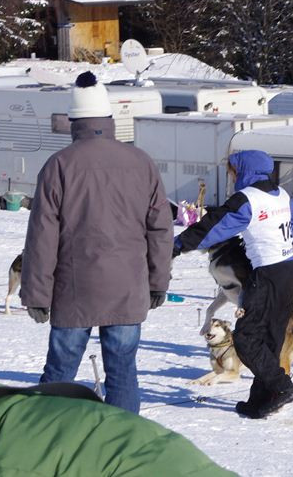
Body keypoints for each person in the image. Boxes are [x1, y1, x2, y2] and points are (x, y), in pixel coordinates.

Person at [20, 71, 173, 414]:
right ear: (109, 118)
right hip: (127, 289)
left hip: (74, 292)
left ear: (74, 121)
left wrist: (37, 293)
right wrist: (157, 281)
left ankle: (45, 440)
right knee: (123, 375)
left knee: (60, 375)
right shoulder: (141, 162)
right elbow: (161, 230)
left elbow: (42, 237)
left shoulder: (59, 165)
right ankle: (122, 447)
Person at [173, 150, 293, 418]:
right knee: (270, 338)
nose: (231, 177)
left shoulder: (246, 200)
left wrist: (177, 244)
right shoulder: (280, 194)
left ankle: (281, 387)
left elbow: (212, 228)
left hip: (267, 275)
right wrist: (279, 242)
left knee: (246, 337)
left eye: (232, 172)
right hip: (289, 270)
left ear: (243, 170)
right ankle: (261, 399)